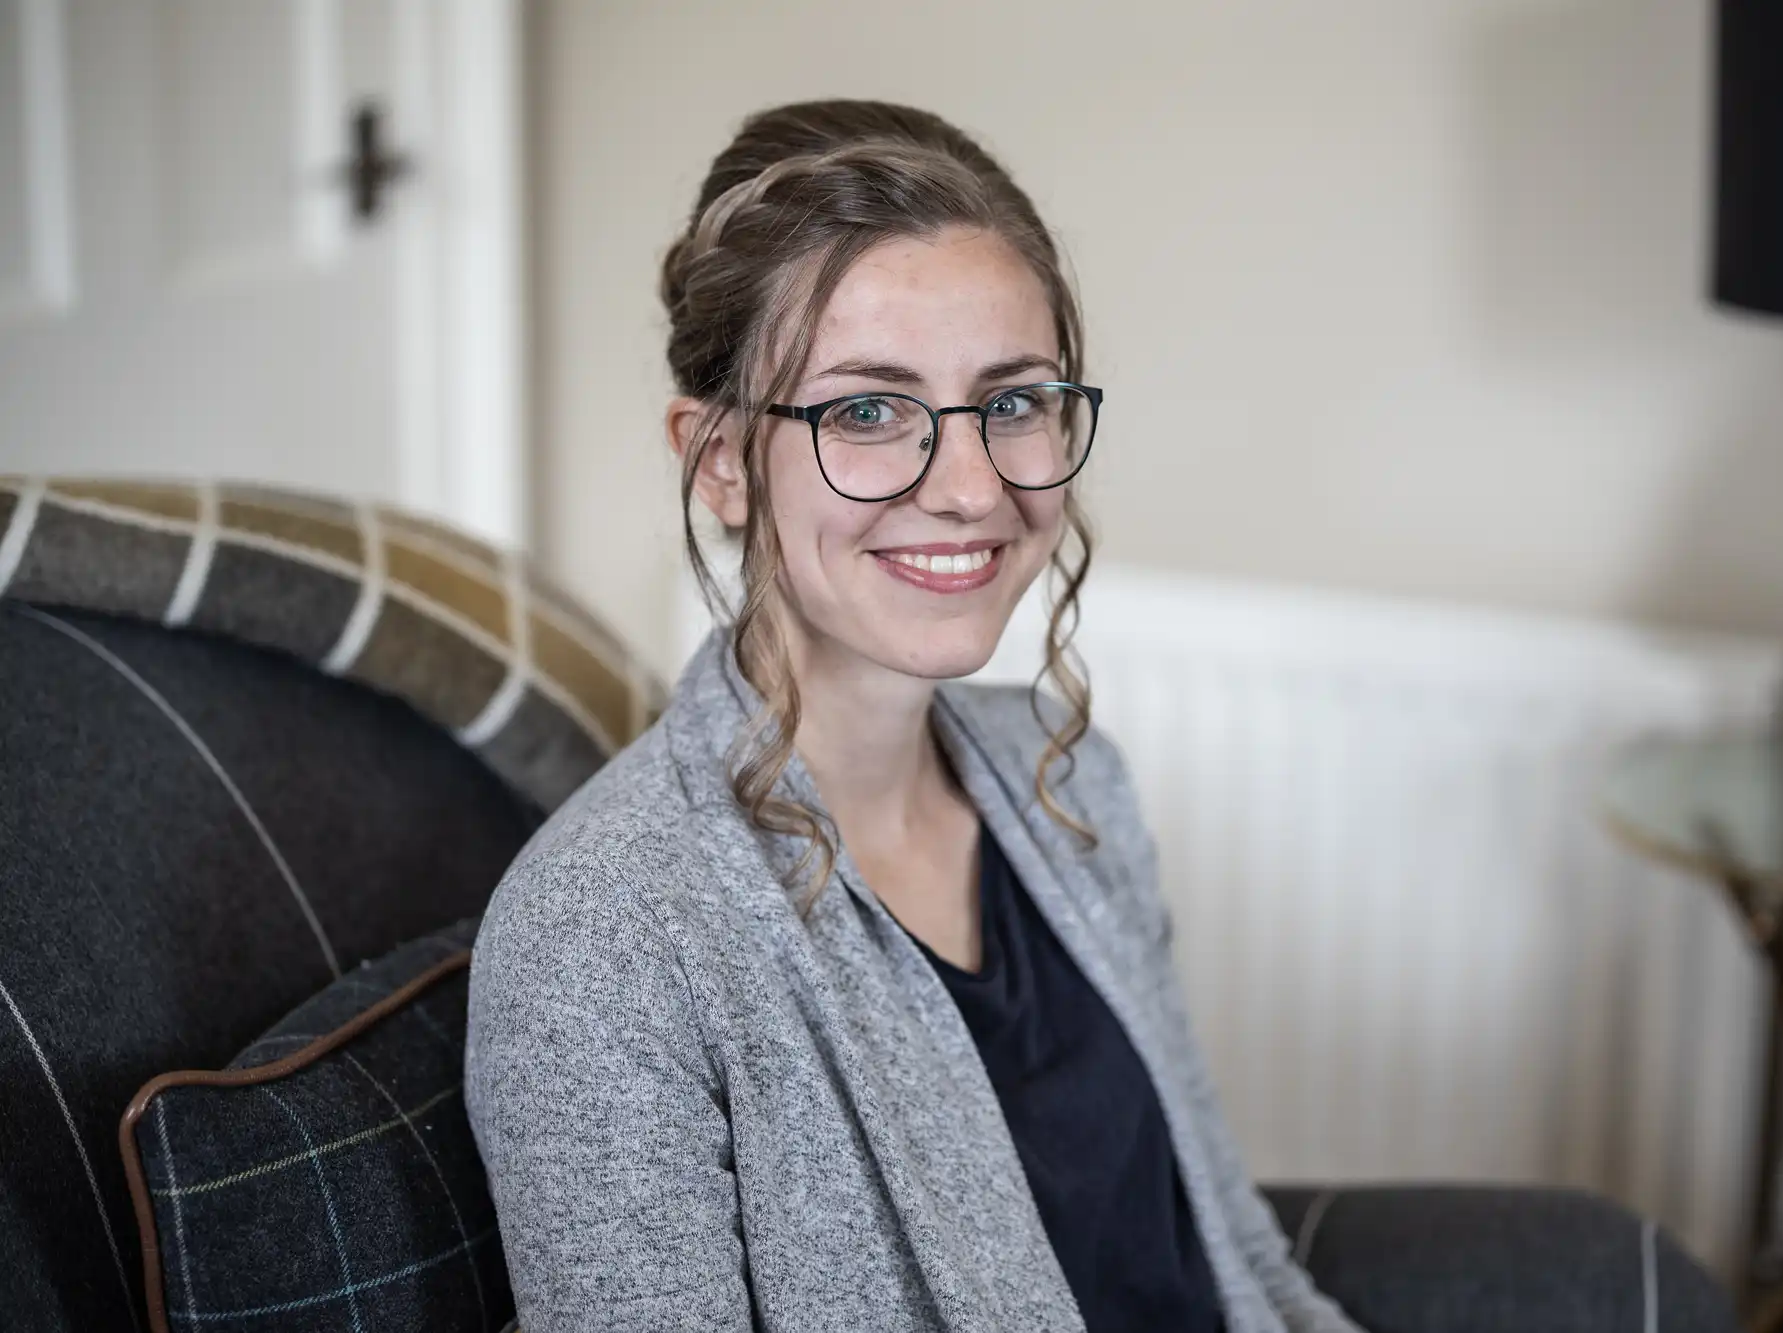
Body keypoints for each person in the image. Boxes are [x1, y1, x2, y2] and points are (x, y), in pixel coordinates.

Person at [464, 99, 1363, 1333]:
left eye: (1012, 402)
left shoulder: (1073, 783)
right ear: (717, 460)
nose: (969, 487)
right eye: (867, 411)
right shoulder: (605, 938)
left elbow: (1224, 1237)